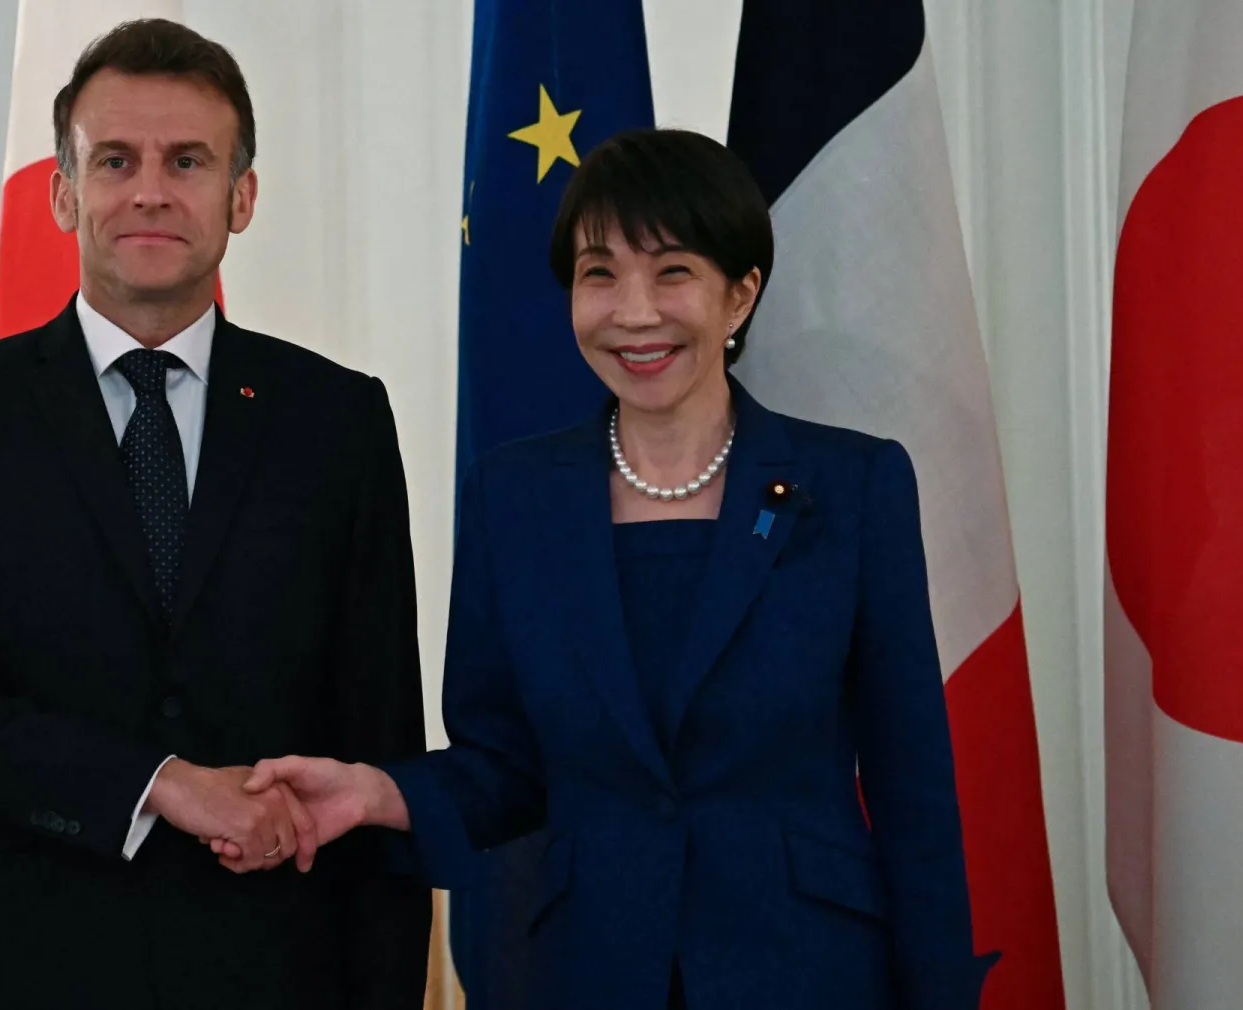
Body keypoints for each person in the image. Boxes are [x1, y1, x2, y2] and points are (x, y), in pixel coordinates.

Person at [226, 129, 998, 1009]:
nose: (633, 312)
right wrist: (375, 791)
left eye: (672, 272)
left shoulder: (853, 486)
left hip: (809, 970)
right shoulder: (512, 497)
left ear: (740, 294)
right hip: (592, 971)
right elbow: (508, 765)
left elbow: (914, 790)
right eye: (599, 274)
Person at [0, 18, 430, 1010]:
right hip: (9, 960)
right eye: (115, 160)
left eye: (187, 160)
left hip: (274, 967)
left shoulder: (338, 418)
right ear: (63, 191)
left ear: (241, 196)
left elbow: (379, 735)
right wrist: (158, 781)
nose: (150, 189)